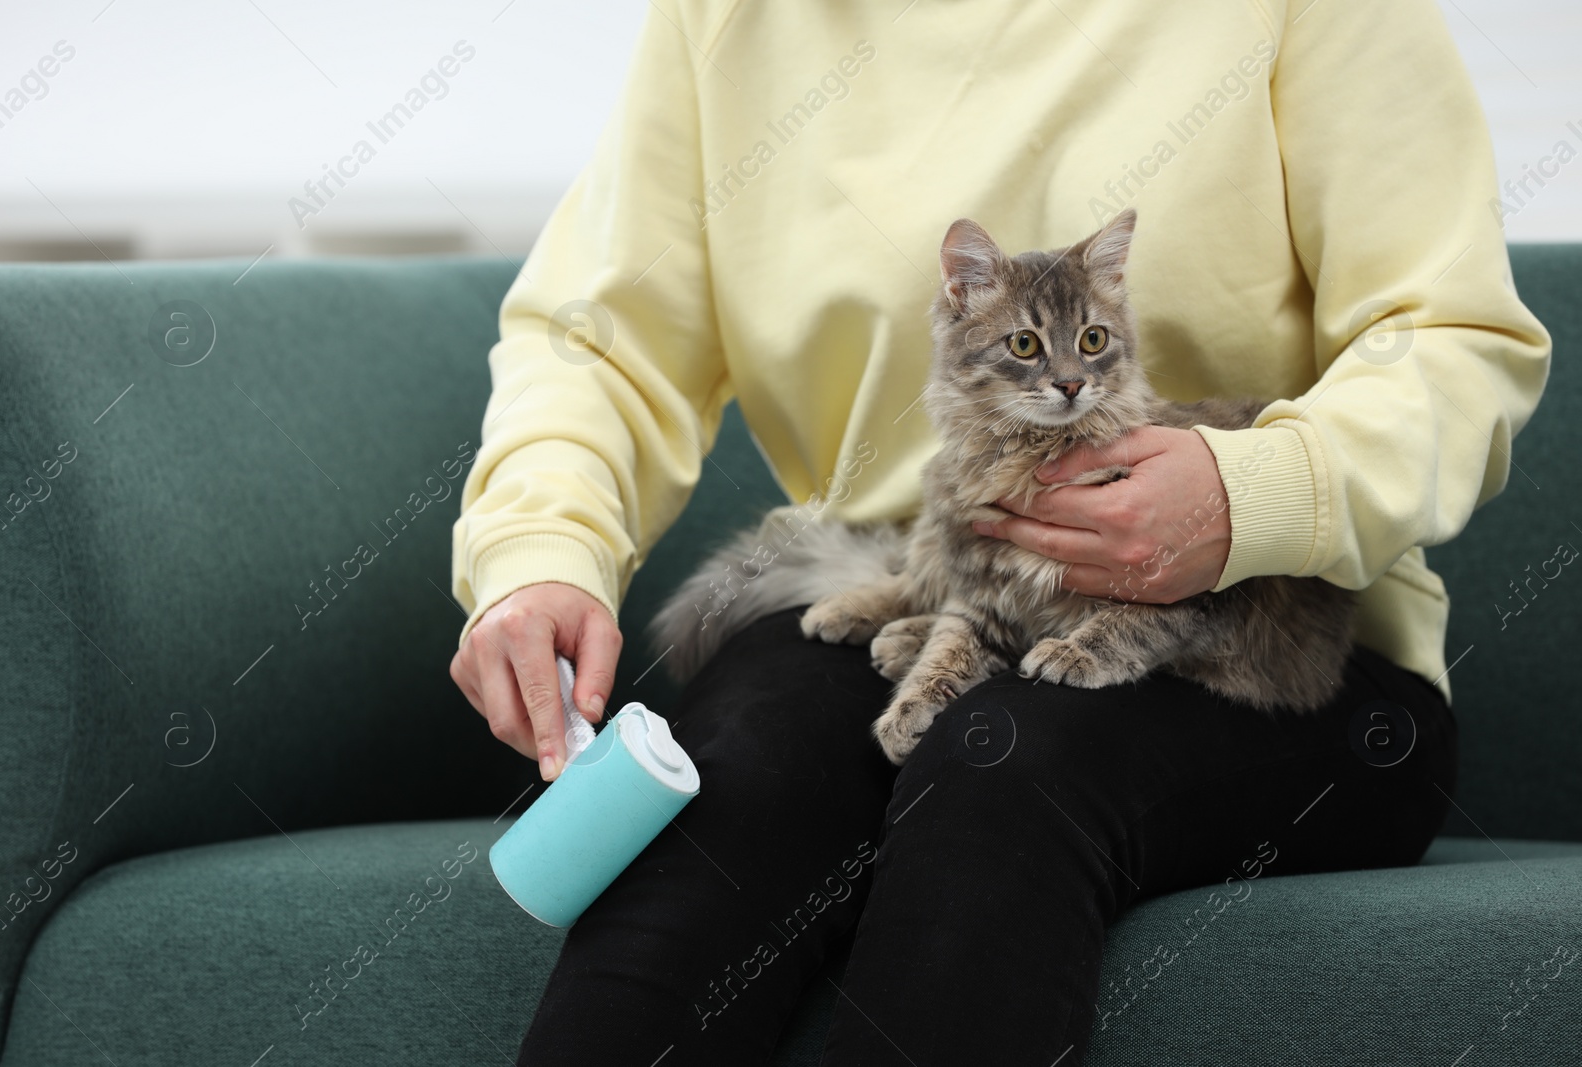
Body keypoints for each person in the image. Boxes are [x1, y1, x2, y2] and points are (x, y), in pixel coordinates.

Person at [448, 1, 1550, 1063]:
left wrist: (1255, 492)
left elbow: (1450, 337)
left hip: (1274, 629)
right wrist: (539, 550)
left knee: (1004, 769)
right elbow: (601, 341)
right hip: (928, 585)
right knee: (740, 787)